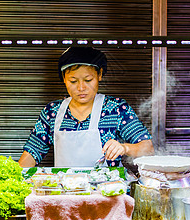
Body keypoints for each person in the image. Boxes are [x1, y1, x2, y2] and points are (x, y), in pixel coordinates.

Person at [19, 46, 154, 168]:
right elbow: (32, 152)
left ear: (99, 75)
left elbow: (148, 149)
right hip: (65, 192)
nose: (81, 88)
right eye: (73, 81)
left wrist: (125, 148)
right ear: (64, 79)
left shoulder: (116, 109)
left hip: (106, 192)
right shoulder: (52, 112)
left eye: (88, 80)